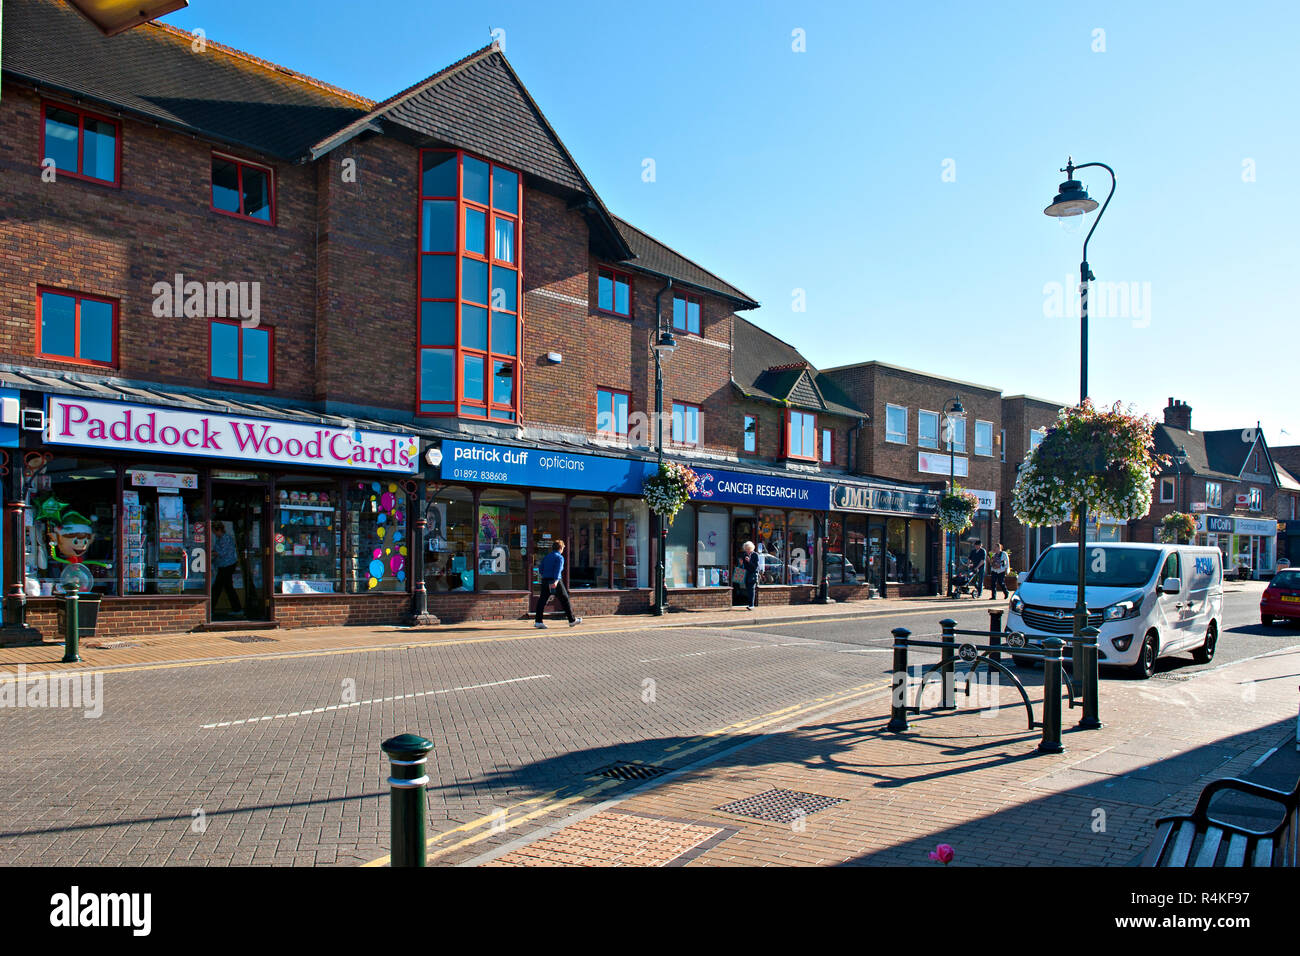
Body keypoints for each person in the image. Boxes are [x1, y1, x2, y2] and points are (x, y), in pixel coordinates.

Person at [534, 540, 580, 629]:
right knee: (565, 598)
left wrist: (545, 576)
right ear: (560, 548)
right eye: (563, 548)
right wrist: (555, 581)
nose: (563, 550)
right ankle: (572, 620)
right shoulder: (559, 557)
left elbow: (540, 569)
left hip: (545, 580)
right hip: (555, 580)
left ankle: (538, 621)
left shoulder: (547, 556)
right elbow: (558, 570)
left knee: (542, 601)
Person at [212, 521, 243, 616]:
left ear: (219, 530)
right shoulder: (220, 538)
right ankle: (237, 609)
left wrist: (212, 553)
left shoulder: (225, 538)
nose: (214, 533)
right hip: (224, 565)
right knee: (228, 587)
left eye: (214, 531)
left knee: (217, 587)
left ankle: (210, 609)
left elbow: (222, 553)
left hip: (227, 565)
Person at [740, 541, 760, 611]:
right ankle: (750, 604)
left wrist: (749, 561)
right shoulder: (744, 555)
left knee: (751, 589)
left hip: (753, 574)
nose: (747, 551)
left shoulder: (755, 555)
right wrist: (741, 563)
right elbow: (743, 566)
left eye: (748, 549)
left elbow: (756, 567)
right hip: (747, 574)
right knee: (748, 589)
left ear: (751, 548)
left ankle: (751, 605)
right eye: (746, 549)